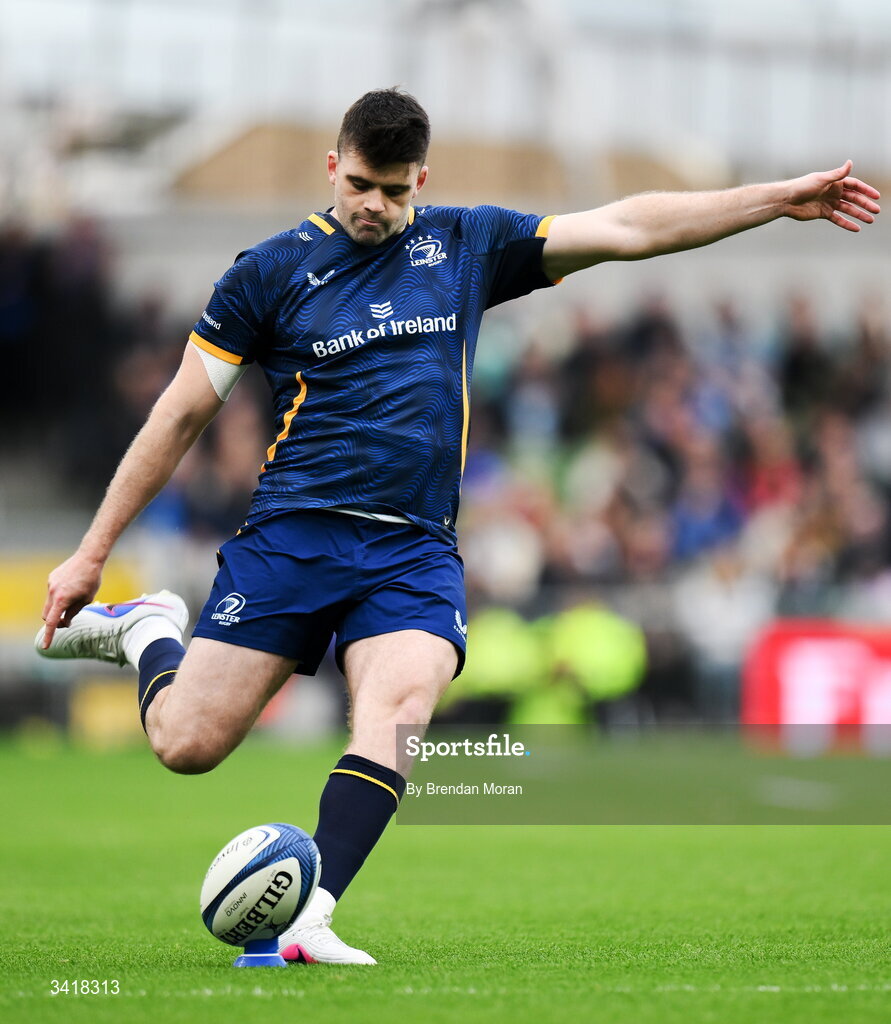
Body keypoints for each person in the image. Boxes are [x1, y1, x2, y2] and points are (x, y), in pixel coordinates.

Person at [36, 88, 880, 964]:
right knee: (186, 744)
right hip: (295, 535)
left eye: (395, 191)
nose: (376, 206)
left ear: (421, 181)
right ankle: (149, 634)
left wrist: (775, 199)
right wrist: (92, 555)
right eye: (361, 184)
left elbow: (628, 226)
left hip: (412, 549)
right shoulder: (268, 272)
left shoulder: (465, 243)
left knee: (398, 710)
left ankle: (310, 918)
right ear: (333, 165)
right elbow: (177, 416)